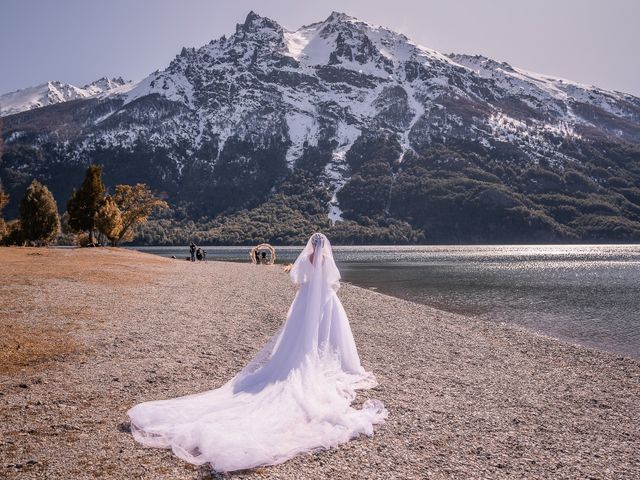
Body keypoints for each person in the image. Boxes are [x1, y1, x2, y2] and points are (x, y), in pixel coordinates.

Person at [128, 233, 387, 473]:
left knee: (298, 335)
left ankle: (296, 357)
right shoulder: (327, 259)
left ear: (310, 245)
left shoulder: (307, 258)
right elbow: (333, 280)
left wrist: (309, 281)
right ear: (325, 246)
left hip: (307, 298)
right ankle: (321, 359)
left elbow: (296, 277)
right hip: (326, 299)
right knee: (328, 333)